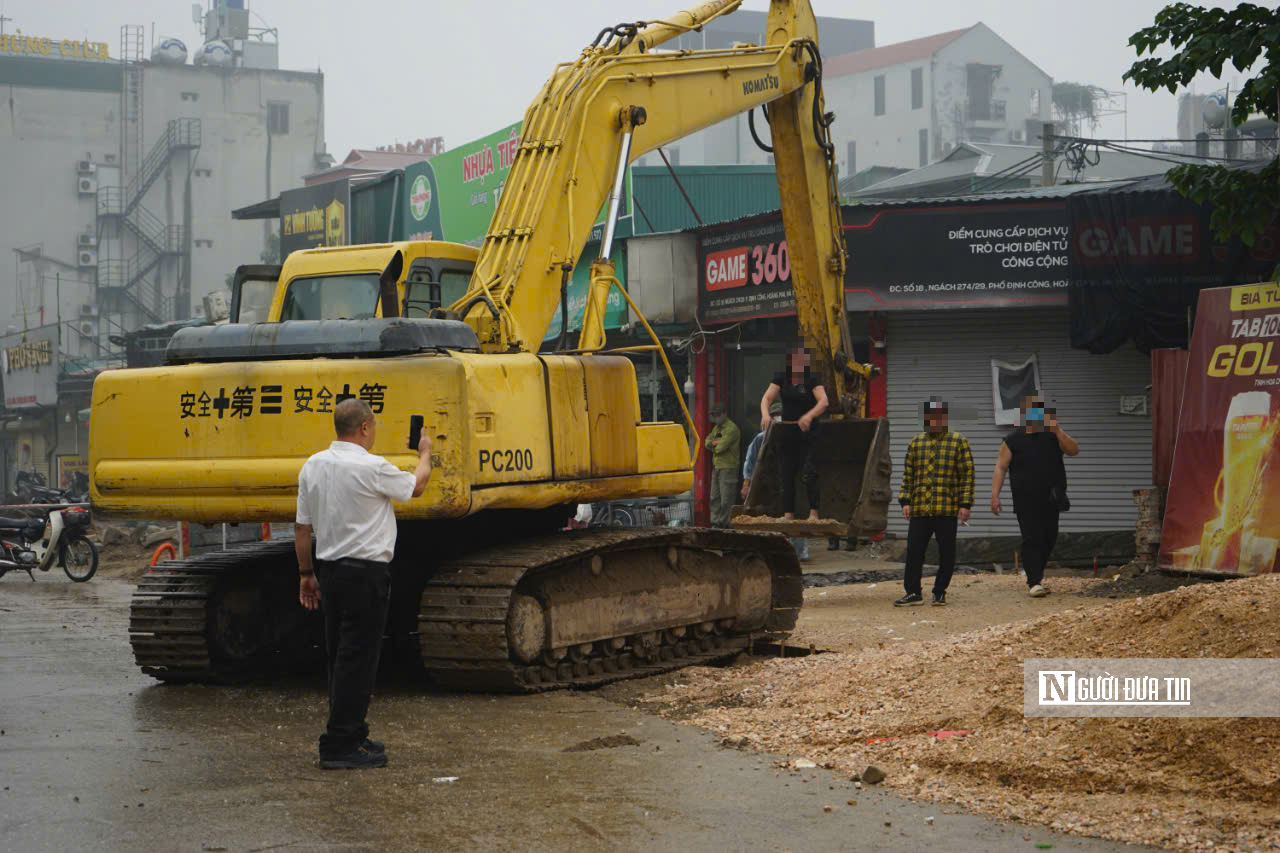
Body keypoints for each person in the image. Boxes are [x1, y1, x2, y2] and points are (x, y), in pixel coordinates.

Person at [296, 398, 434, 770]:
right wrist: (425, 453)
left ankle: (352, 733)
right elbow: (417, 487)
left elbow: (302, 528)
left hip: (330, 570)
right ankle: (340, 744)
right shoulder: (373, 467)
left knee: (341, 655)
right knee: (358, 659)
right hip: (365, 575)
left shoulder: (313, 466)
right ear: (365, 428)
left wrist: (306, 574)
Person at [991, 395, 1079, 598]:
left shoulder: (1052, 436)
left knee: (1049, 537)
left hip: (1051, 497)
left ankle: (1037, 575)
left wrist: (1057, 429)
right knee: (1032, 538)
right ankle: (1034, 581)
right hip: (1025, 499)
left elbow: (1074, 450)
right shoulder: (1012, 440)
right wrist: (995, 495)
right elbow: (1000, 468)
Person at [895, 399, 974, 607]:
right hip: (920, 510)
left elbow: (967, 475)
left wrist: (965, 504)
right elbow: (908, 475)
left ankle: (940, 591)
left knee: (947, 552)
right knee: (913, 551)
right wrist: (905, 500)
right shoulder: (916, 442)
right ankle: (913, 592)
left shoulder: (958, 441)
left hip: (946, 509)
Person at [759, 347, 829, 522]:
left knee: (809, 471)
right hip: (787, 432)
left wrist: (809, 416)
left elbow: (824, 402)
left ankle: (814, 512)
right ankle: (788, 513)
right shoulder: (782, 377)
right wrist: (765, 414)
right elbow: (767, 398)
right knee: (786, 472)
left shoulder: (812, 379)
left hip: (808, 432)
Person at [742, 401, 809, 561]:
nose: (778, 418)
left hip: (792, 482)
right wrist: (746, 484)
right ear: (770, 418)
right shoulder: (760, 439)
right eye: (775, 416)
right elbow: (750, 462)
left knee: (796, 517)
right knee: (769, 517)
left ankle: (799, 553)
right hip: (769, 483)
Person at [705, 403, 741, 528]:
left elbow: (720, 448)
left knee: (726, 498)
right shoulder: (717, 428)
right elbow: (706, 442)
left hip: (728, 467)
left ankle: (725, 523)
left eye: (718, 414)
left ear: (725, 414)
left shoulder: (731, 429)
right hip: (717, 467)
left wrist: (714, 444)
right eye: (714, 415)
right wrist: (713, 443)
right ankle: (715, 522)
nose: (716, 417)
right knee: (714, 497)